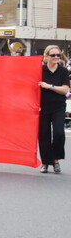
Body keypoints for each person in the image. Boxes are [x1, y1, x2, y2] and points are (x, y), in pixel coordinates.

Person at [38, 45, 69, 173]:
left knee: (59, 134)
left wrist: (49, 86)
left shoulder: (63, 71)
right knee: (44, 135)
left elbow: (65, 90)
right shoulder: (39, 70)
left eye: (58, 55)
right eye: (53, 55)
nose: (56, 57)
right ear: (46, 56)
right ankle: (45, 162)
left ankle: (56, 160)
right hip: (43, 107)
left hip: (58, 107)